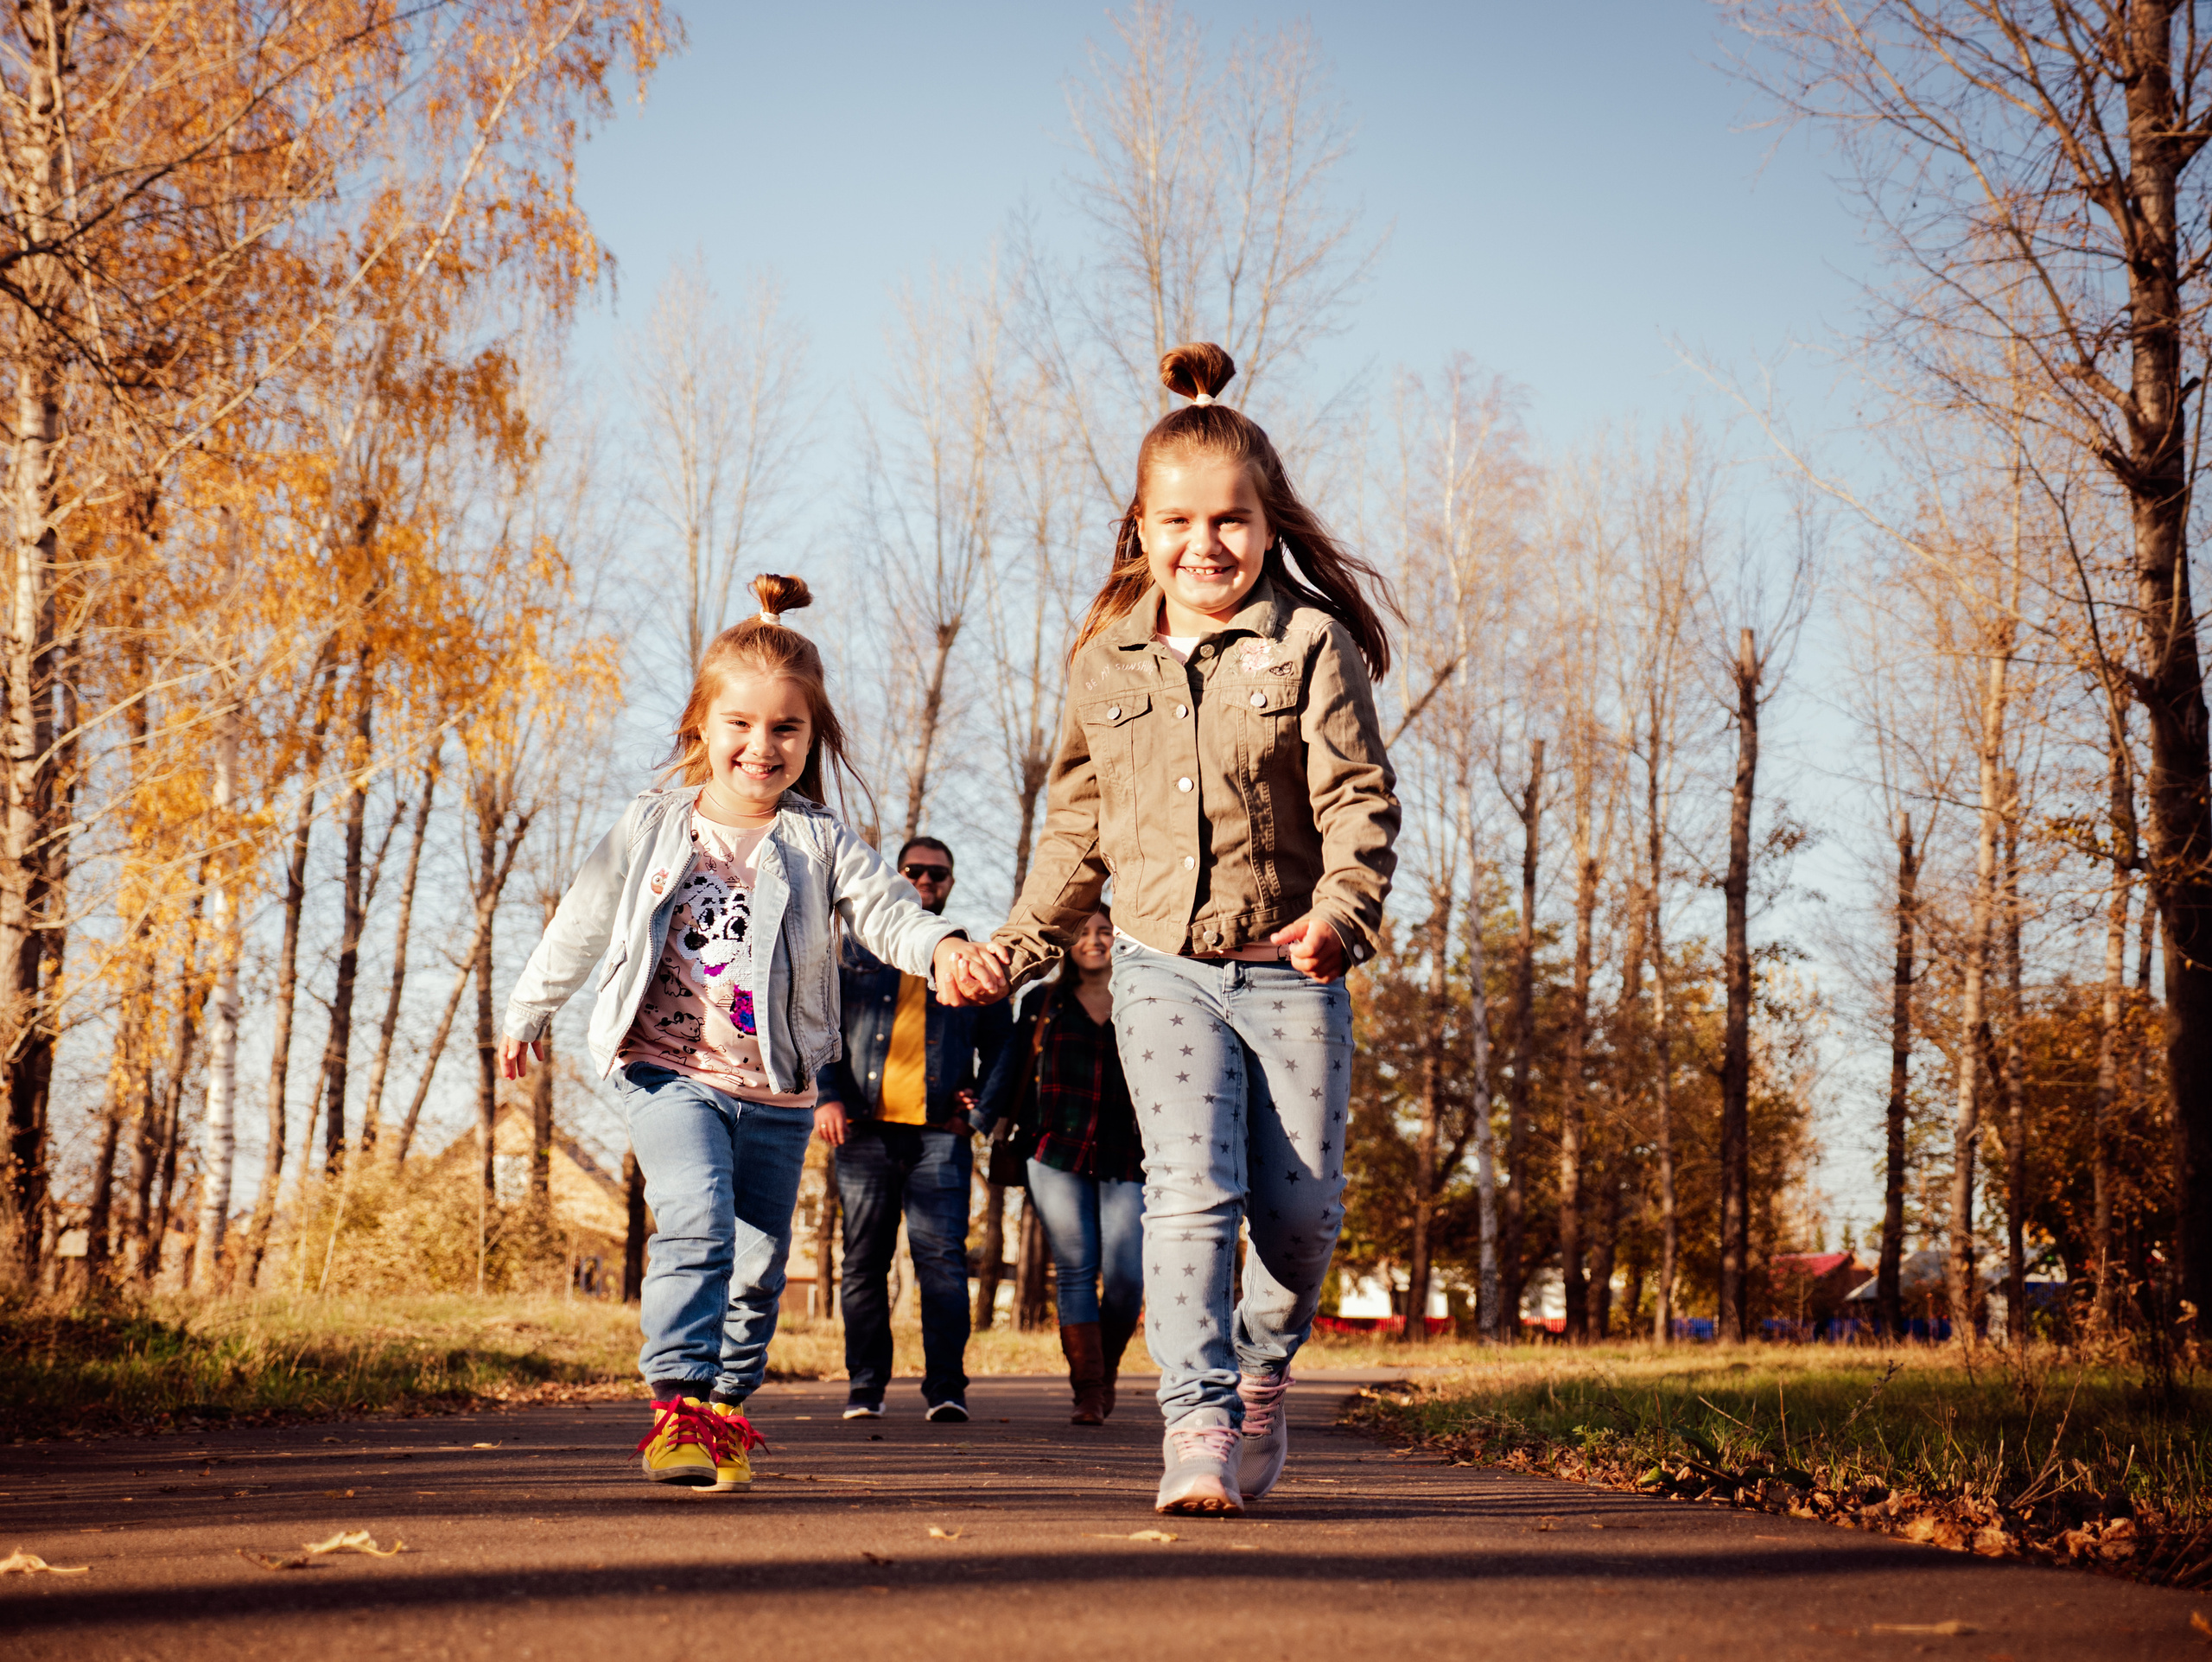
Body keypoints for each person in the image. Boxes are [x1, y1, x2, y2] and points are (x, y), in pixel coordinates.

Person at [987, 342, 1400, 1516]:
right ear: (1141, 525)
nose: (1203, 544)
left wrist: (1343, 912)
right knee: (1189, 1194)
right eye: (1177, 521)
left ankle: (1262, 1367)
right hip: (1161, 966)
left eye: (1229, 520)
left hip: (1290, 970)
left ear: (1267, 524)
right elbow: (1077, 829)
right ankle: (1197, 1421)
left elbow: (1357, 798)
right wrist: (1017, 947)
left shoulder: (1307, 643)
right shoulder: (1103, 658)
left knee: (1300, 1219)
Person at [499, 575, 1007, 1492]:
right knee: (696, 1218)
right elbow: (582, 918)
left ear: (813, 738)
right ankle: (678, 1407)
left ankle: (726, 1408)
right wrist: (530, 1007)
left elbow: (887, 914)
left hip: (776, 1088)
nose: (761, 746)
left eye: (786, 729)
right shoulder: (652, 824)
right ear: (700, 725)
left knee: (761, 1266)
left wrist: (944, 948)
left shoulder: (821, 840)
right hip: (666, 1069)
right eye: (739, 723)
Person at [813, 836, 1011, 1423]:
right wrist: (827, 1096)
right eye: (913, 870)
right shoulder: (853, 950)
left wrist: (977, 1113)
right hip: (862, 1132)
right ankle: (865, 1387)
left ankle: (947, 1388)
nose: (925, 881)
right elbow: (819, 1024)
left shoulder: (967, 958)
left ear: (950, 884)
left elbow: (1003, 1045)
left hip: (939, 1136)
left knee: (943, 1263)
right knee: (863, 1262)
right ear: (896, 876)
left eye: (937, 874)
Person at [982, 907, 1144, 1425]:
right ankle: (1089, 1390)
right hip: (1053, 1149)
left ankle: (1106, 1368)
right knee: (1076, 1268)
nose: (1094, 941)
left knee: (1127, 1278)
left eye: (1105, 932)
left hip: (1129, 1153)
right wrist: (981, 1115)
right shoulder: (1043, 1000)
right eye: (1083, 932)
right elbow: (1012, 1064)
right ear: (1068, 943)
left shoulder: (1143, 998)